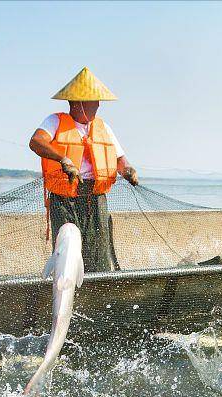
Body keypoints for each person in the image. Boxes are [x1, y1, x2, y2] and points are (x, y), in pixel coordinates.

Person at [28, 67, 139, 273]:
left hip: (95, 198)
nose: (98, 105)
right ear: (78, 102)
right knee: (68, 254)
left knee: (99, 253)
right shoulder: (55, 121)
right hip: (64, 198)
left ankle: (97, 294)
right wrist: (63, 159)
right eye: (94, 101)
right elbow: (36, 142)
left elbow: (121, 162)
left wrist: (130, 171)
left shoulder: (103, 127)